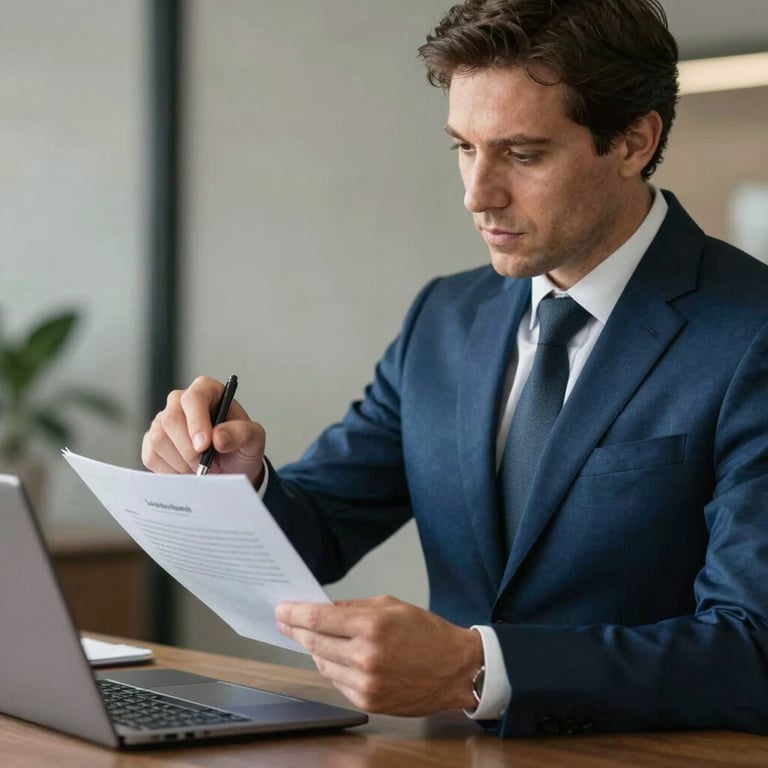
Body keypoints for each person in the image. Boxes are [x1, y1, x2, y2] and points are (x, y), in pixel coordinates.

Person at [142, 0, 768, 738]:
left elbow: (751, 647)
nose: (478, 194)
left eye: (523, 154)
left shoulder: (750, 333)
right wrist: (238, 481)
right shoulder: (444, 319)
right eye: (463, 148)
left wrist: (476, 668)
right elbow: (319, 530)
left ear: (634, 141)